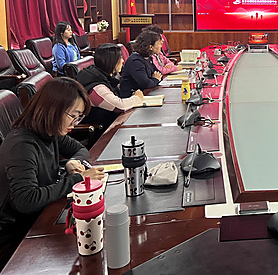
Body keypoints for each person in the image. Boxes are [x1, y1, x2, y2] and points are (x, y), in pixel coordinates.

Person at [0, 78, 104, 267]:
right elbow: (25, 200)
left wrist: (72, 162)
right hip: (18, 236)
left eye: (79, 118)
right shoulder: (21, 144)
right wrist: (77, 180)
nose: (75, 123)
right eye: (73, 116)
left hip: (43, 213)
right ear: (53, 110)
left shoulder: (50, 131)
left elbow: (80, 150)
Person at [77, 43, 144, 128]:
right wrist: (137, 98)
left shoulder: (103, 76)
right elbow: (120, 106)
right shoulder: (96, 87)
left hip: (114, 123)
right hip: (104, 130)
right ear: (112, 61)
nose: (123, 61)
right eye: (120, 58)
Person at [119, 30, 163, 97]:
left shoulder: (148, 57)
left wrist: (154, 80)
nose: (160, 46)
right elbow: (146, 84)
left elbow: (159, 74)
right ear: (150, 47)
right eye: (159, 44)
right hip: (131, 97)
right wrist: (155, 79)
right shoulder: (135, 62)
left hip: (144, 93)